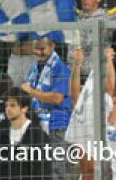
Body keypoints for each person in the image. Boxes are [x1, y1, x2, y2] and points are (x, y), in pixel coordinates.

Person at [22, 37, 73, 178]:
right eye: (36, 48)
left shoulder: (60, 68)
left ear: (53, 46)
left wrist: (31, 91)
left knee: (58, 168)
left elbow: (57, 98)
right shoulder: (36, 67)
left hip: (57, 125)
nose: (38, 52)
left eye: (42, 49)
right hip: (38, 124)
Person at [0, 87, 51, 178]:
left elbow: (43, 172)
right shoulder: (2, 135)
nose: (8, 109)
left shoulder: (38, 136)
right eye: (6, 105)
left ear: (24, 108)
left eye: (12, 105)